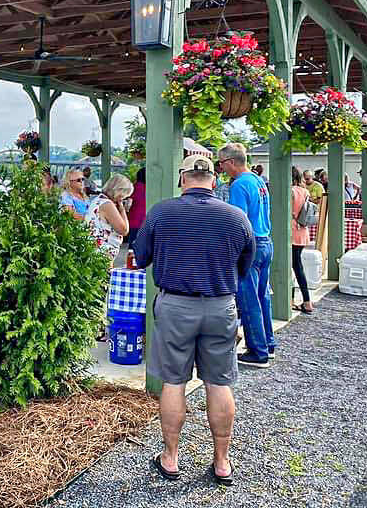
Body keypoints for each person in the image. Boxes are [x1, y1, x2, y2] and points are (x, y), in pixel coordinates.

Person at [134, 154, 255, 486]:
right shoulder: (236, 217)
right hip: (220, 305)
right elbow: (245, 265)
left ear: (183, 179)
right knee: (220, 382)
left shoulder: (162, 212)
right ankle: (222, 462)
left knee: (174, 381)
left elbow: (140, 255)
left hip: (175, 305)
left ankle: (171, 458)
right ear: (214, 181)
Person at [219, 143, 274, 368]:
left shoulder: (239, 185)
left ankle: (257, 352)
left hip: (249, 246)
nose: (221, 169)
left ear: (231, 162)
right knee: (263, 296)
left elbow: (237, 221)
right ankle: (268, 344)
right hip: (265, 242)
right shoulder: (258, 181)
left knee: (248, 299)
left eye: (222, 164)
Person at [84, 174, 133, 267]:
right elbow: (124, 230)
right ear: (119, 191)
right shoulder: (107, 204)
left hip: (95, 250)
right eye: (124, 196)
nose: (124, 199)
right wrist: (123, 209)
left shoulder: (98, 199)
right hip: (102, 253)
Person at [290, 167, 314, 314]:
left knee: (291, 268)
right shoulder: (305, 191)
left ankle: (291, 300)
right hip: (302, 231)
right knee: (298, 267)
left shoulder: (290, 191)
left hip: (291, 231)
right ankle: (307, 301)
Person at [126, 167, 146, 245]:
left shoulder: (134, 187)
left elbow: (128, 205)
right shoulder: (150, 188)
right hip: (147, 220)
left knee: (133, 245)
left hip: (134, 220)